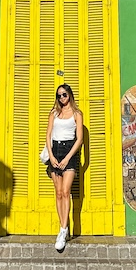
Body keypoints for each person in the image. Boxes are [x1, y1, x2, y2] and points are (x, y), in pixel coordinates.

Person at [46, 84, 83, 252]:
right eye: (59, 95)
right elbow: (48, 136)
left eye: (64, 95)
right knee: (59, 193)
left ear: (70, 95)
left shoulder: (77, 114)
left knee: (66, 192)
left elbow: (80, 139)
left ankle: (63, 229)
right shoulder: (54, 113)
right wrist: (52, 156)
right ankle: (63, 228)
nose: (62, 98)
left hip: (69, 152)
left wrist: (68, 157)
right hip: (55, 150)